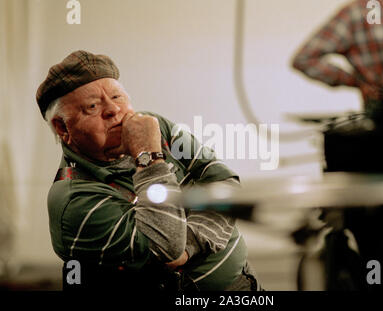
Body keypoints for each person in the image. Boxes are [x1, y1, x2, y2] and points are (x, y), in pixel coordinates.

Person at [36, 50, 261, 291]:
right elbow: (166, 245)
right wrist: (149, 155)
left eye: (117, 96)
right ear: (62, 128)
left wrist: (190, 245)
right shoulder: (73, 201)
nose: (113, 110)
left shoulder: (155, 126)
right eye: (92, 106)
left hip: (243, 284)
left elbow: (224, 182)